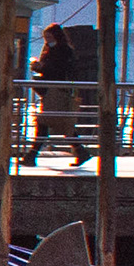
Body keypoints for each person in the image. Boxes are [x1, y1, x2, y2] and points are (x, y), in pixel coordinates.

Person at [30, 23, 99, 165]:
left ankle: (32, 155)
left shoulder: (62, 51)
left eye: (49, 37)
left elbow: (57, 70)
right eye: (45, 38)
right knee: (62, 123)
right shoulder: (53, 50)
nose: (47, 40)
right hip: (53, 90)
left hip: (57, 90)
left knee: (45, 121)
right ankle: (80, 151)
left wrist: (40, 67)